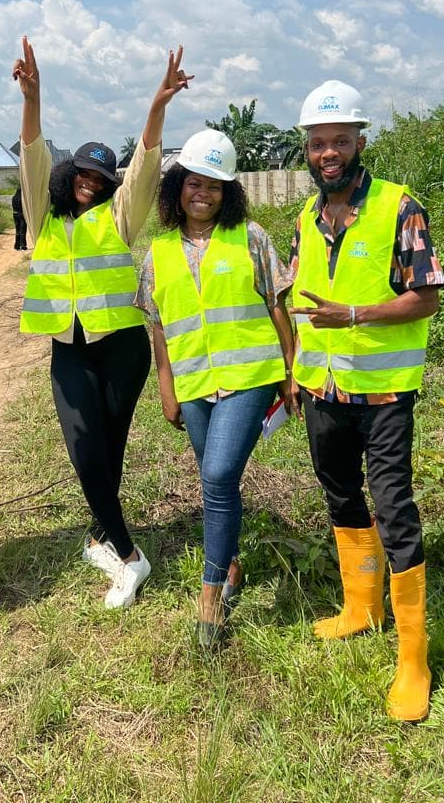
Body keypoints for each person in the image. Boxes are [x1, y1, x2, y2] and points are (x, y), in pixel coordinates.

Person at [289, 80, 444, 721]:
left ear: (359, 142)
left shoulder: (399, 207)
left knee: (393, 504)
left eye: (340, 141)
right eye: (319, 143)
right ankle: (361, 607)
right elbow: (300, 304)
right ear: (308, 148)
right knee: (340, 494)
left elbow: (426, 295)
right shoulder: (304, 217)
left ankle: (414, 658)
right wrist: (298, 372)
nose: (330, 152)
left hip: (382, 392)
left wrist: (356, 314)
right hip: (323, 389)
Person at [16, 37, 189, 609]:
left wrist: (156, 108)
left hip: (122, 347)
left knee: (110, 447)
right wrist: (32, 97)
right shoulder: (43, 217)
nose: (90, 181)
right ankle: (129, 555)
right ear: (68, 176)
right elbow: (32, 152)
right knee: (85, 447)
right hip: (69, 348)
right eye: (82, 174)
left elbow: (144, 165)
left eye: (100, 176)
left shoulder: (119, 216)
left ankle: (97, 534)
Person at [135, 129, 296, 647]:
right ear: (177, 187)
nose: (203, 194)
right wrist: (166, 386)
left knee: (219, 475)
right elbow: (158, 328)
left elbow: (277, 305)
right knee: (216, 483)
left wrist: (292, 372)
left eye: (215, 186)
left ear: (230, 193)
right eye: (194, 184)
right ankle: (229, 566)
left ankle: (209, 598)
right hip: (193, 382)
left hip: (249, 376)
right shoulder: (157, 252)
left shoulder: (250, 237)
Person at [11, 185, 28, 250]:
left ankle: (16, 246)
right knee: (23, 230)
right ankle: (23, 246)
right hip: (22, 214)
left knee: (17, 230)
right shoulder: (23, 198)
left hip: (15, 214)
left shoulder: (13, 198)